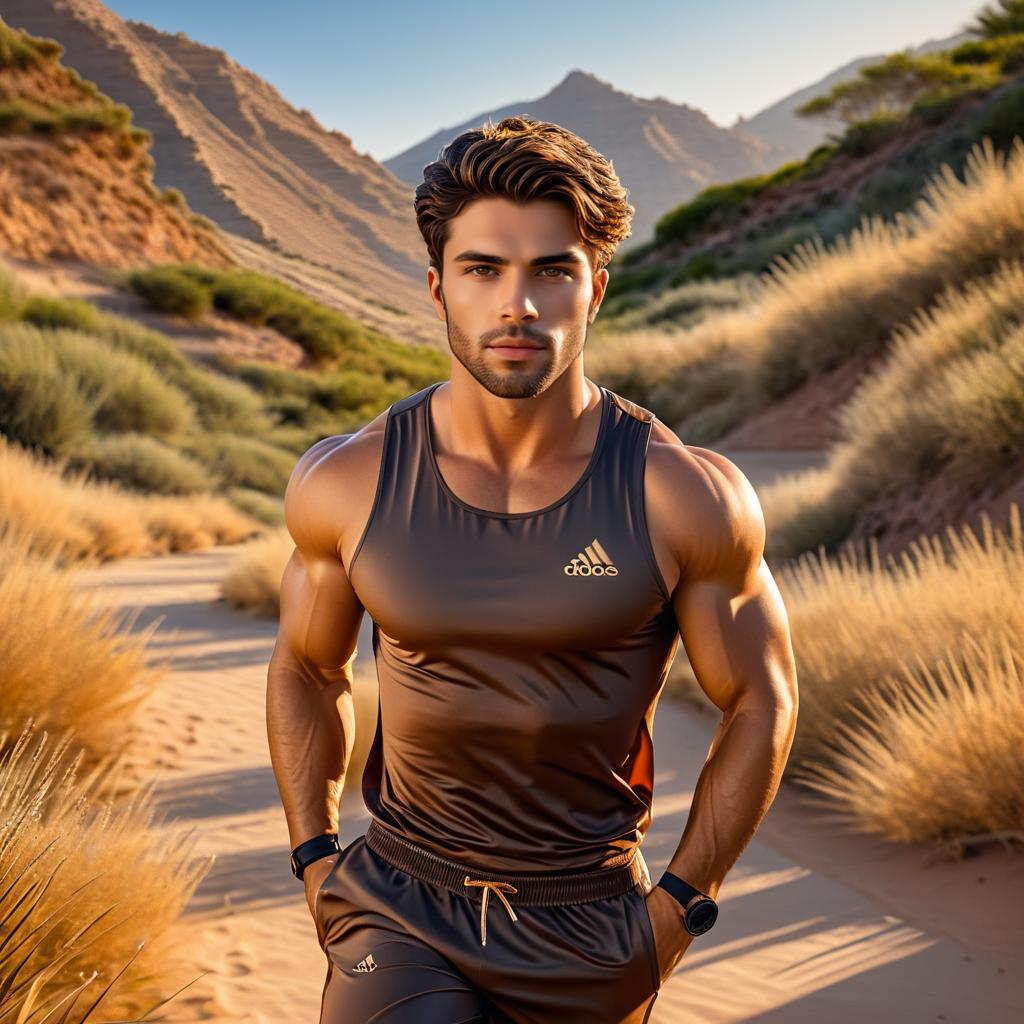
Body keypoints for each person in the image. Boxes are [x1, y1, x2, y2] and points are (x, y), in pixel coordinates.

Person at [266, 114, 799, 1024]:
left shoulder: (683, 495)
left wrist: (678, 906)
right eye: (483, 270)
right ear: (438, 288)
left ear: (595, 287)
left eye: (552, 270)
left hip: (588, 924)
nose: (518, 303)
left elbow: (763, 700)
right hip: (399, 902)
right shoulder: (348, 480)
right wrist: (316, 857)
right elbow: (307, 669)